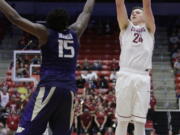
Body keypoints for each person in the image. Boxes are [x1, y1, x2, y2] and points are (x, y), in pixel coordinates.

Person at [0, 0, 95, 134]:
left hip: (49, 87)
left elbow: (15, 18)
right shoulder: (76, 31)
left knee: (26, 130)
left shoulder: (45, 33)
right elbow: (86, 12)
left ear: (50, 22)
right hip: (69, 90)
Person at [115, 0, 155, 134]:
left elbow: (147, 5)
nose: (134, 14)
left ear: (145, 16)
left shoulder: (149, 29)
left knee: (140, 121)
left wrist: (145, 7)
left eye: (138, 12)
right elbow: (119, 4)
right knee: (122, 120)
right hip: (125, 75)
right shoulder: (125, 27)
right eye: (132, 13)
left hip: (142, 77)